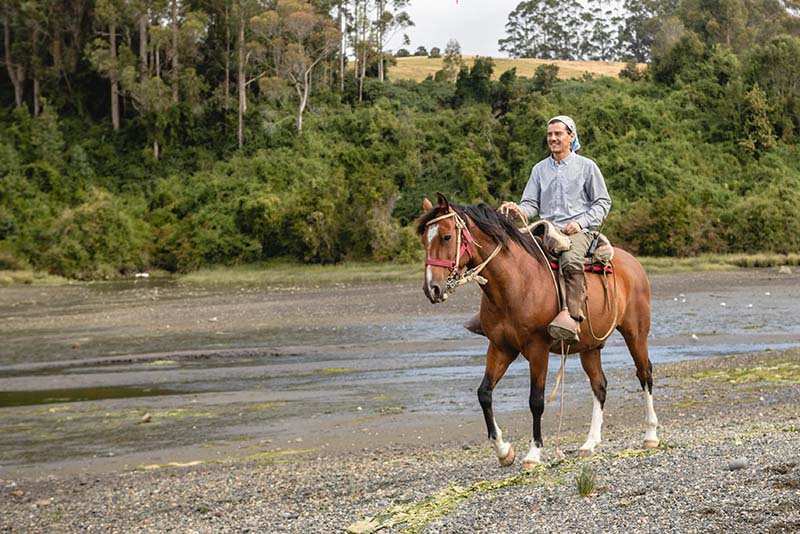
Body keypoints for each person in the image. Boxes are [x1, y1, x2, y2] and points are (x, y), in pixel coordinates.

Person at [500, 115, 611, 343]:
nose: (553, 138)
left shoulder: (587, 167)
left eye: (558, 134)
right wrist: (517, 210)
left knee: (570, 259)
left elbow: (602, 202)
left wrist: (580, 223)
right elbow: (530, 204)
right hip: (546, 230)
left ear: (571, 136)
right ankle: (499, 317)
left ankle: (573, 317)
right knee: (511, 254)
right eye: (550, 134)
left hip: (579, 231)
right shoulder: (539, 169)